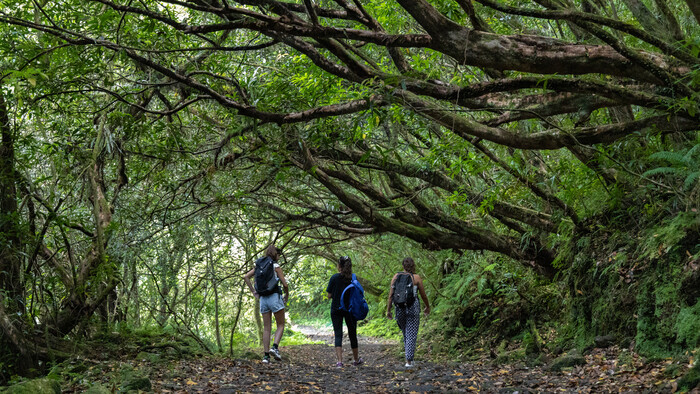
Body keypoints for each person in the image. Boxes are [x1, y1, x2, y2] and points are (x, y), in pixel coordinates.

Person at [243, 245, 289, 364]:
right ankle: (274, 347)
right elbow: (285, 284)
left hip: (263, 299)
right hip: (274, 297)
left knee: (266, 328)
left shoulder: (259, 266)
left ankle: (266, 357)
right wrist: (287, 295)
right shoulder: (275, 266)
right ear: (275, 255)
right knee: (280, 324)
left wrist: (254, 292)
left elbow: (246, 277)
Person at [386, 257, 430, 368]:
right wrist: (427, 306)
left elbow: (391, 295)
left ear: (403, 266)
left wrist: (388, 310)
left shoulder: (396, 277)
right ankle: (409, 361)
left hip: (399, 308)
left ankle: (408, 358)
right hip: (413, 307)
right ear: (413, 266)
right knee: (411, 333)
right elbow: (423, 295)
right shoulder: (416, 278)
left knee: (406, 332)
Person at [326, 255, 363, 367]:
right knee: (352, 334)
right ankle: (356, 360)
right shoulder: (353, 278)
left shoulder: (334, 278)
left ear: (339, 266)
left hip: (336, 309)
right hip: (350, 310)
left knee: (338, 334)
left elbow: (329, 295)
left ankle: (339, 362)